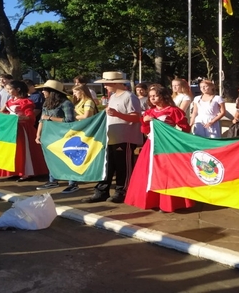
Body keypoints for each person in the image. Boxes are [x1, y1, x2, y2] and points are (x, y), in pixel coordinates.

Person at [124, 85, 194, 212]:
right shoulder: (149, 112)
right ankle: (152, 200)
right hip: (151, 145)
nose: (152, 98)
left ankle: (168, 203)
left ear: (163, 96)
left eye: (155, 96)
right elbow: (144, 131)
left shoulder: (173, 110)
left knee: (167, 174)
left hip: (167, 147)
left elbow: (185, 128)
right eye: (150, 96)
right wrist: (144, 121)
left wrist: (175, 138)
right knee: (149, 172)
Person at [82, 71, 143, 203]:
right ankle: (102, 190)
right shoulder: (114, 96)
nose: (104, 86)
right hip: (111, 137)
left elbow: (136, 117)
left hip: (125, 137)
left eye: (106, 83)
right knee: (107, 165)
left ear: (114, 83)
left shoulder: (129, 96)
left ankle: (121, 191)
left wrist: (117, 114)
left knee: (123, 166)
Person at [0, 80, 49, 181]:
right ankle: (15, 170)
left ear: (18, 89)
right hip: (11, 129)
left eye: (10, 89)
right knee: (12, 150)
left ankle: (26, 172)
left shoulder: (26, 102)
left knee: (23, 151)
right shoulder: (9, 101)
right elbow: (3, 113)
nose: (8, 91)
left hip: (22, 129)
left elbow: (30, 117)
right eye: (7, 89)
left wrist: (18, 117)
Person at [34, 80, 76, 192]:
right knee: (51, 159)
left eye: (44, 89)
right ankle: (52, 181)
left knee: (67, 159)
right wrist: (38, 135)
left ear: (52, 92)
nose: (42, 92)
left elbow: (69, 120)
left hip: (63, 136)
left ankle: (73, 183)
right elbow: (41, 120)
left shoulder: (66, 103)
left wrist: (50, 118)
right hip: (49, 136)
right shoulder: (46, 103)